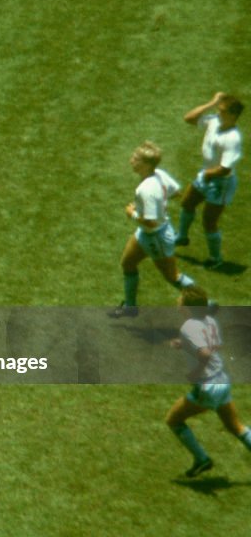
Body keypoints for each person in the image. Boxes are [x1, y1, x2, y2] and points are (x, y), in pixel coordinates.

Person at [165, 286, 251, 477]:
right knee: (235, 426)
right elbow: (214, 345)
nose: (178, 301)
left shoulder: (188, 327)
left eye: (180, 299)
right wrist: (185, 344)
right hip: (222, 380)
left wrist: (195, 373)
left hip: (207, 386)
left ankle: (202, 459)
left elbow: (204, 353)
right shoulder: (210, 321)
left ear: (187, 307)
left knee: (174, 420)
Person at [113, 141, 196, 317]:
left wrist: (132, 213)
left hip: (155, 236)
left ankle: (204, 302)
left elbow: (151, 222)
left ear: (147, 164)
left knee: (172, 276)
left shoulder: (146, 190)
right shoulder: (159, 174)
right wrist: (160, 203)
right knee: (127, 263)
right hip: (146, 233)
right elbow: (176, 192)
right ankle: (130, 307)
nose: (131, 160)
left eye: (136, 158)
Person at [175, 92, 244, 269]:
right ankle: (182, 237)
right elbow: (188, 118)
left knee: (209, 222)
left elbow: (225, 168)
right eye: (218, 110)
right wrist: (211, 103)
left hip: (221, 182)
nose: (218, 113)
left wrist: (208, 175)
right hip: (206, 174)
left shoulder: (233, 138)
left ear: (233, 115)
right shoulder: (215, 121)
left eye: (222, 111)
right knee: (187, 203)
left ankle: (216, 258)